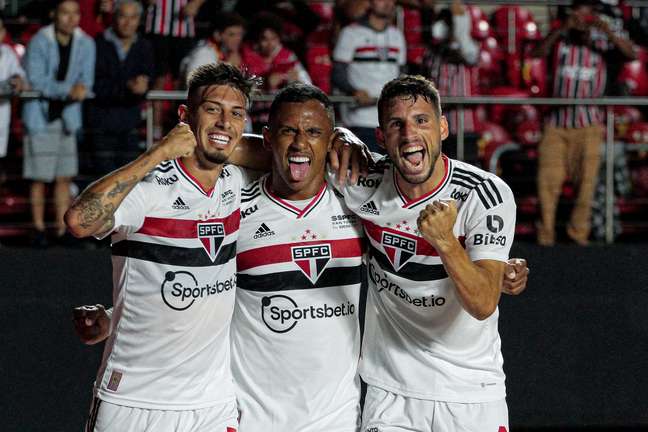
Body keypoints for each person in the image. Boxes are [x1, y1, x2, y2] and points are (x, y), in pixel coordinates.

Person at [65, 63, 259, 432]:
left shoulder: (236, 182)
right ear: (185, 115)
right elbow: (79, 221)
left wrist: (219, 142)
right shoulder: (151, 188)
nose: (225, 121)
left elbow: (291, 151)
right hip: (133, 400)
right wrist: (157, 154)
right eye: (212, 109)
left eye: (236, 114)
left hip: (210, 402)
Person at [330, 74, 516, 431]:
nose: (410, 135)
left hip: (471, 391)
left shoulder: (483, 194)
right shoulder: (360, 181)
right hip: (391, 391)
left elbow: (482, 303)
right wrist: (340, 134)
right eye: (396, 124)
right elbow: (285, 149)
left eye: (421, 121)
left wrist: (445, 241)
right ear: (381, 137)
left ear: (443, 128)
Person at [532, 0, 635, 246]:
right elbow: (537, 54)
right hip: (557, 123)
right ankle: (545, 237)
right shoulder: (560, 38)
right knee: (547, 183)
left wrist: (606, 29)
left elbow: (630, 54)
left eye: (587, 10)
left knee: (586, 187)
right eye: (577, 9)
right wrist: (560, 29)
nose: (581, 15)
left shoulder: (602, 42)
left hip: (589, 125)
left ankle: (578, 237)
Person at [22, 0, 95, 247]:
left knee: (64, 176)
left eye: (75, 13)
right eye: (65, 12)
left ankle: (62, 231)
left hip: (68, 118)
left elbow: (86, 82)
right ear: (54, 14)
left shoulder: (86, 42)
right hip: (41, 116)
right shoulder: (39, 41)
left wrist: (75, 91)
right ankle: (39, 230)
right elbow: (35, 80)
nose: (71, 18)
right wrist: (68, 90)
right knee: (39, 177)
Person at [89, 0, 154, 176]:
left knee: (128, 183)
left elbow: (150, 78)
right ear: (114, 18)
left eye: (133, 17)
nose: (128, 22)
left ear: (139, 20)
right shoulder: (97, 44)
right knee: (102, 182)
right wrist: (127, 86)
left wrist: (144, 84)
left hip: (130, 124)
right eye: (123, 16)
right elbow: (94, 84)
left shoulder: (144, 46)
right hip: (102, 125)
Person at [332, 0, 406, 153]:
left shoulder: (396, 35)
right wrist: (354, 91)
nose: (388, 3)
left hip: (390, 120)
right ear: (369, 3)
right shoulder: (351, 33)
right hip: (360, 119)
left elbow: (401, 74)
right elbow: (337, 74)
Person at [423, 0, 482, 165]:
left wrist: (458, 18)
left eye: (449, 23)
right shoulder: (432, 53)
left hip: (463, 125)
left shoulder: (469, 48)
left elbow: (466, 49)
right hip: (437, 126)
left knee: (466, 175)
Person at [180, 12, 247, 83]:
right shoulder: (204, 53)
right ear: (217, 35)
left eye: (240, 34)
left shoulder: (233, 53)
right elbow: (195, 84)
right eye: (231, 34)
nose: (237, 39)